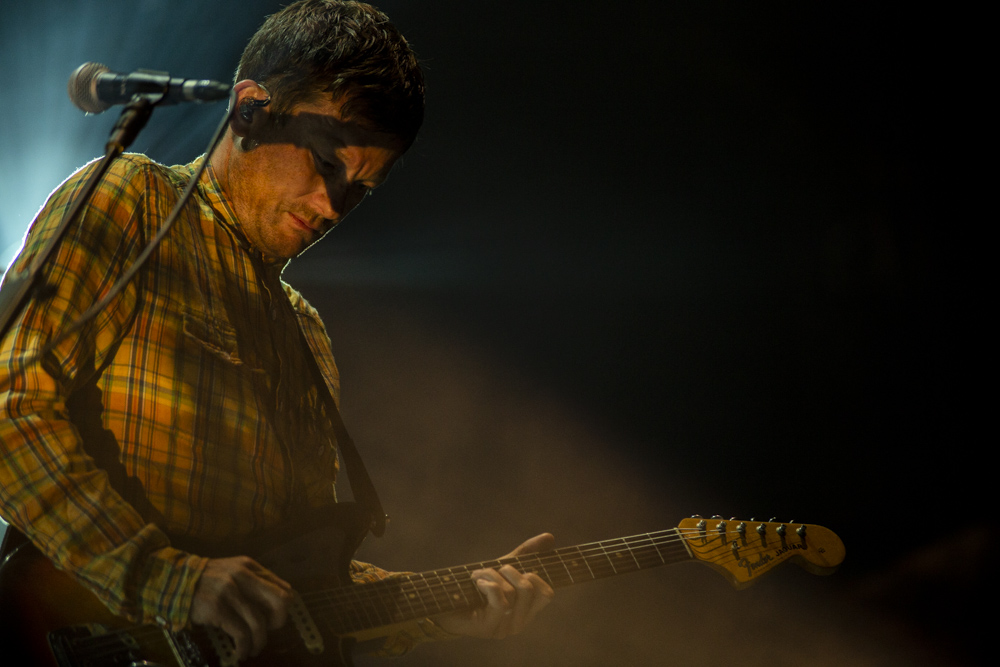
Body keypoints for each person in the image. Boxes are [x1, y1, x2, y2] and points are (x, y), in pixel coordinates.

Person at [0, 0, 552, 661]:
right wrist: (167, 576)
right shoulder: (132, 202)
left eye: (361, 190)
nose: (332, 206)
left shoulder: (307, 337)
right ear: (251, 109)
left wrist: (447, 605)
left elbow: (303, 581)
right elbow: (10, 408)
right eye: (325, 163)